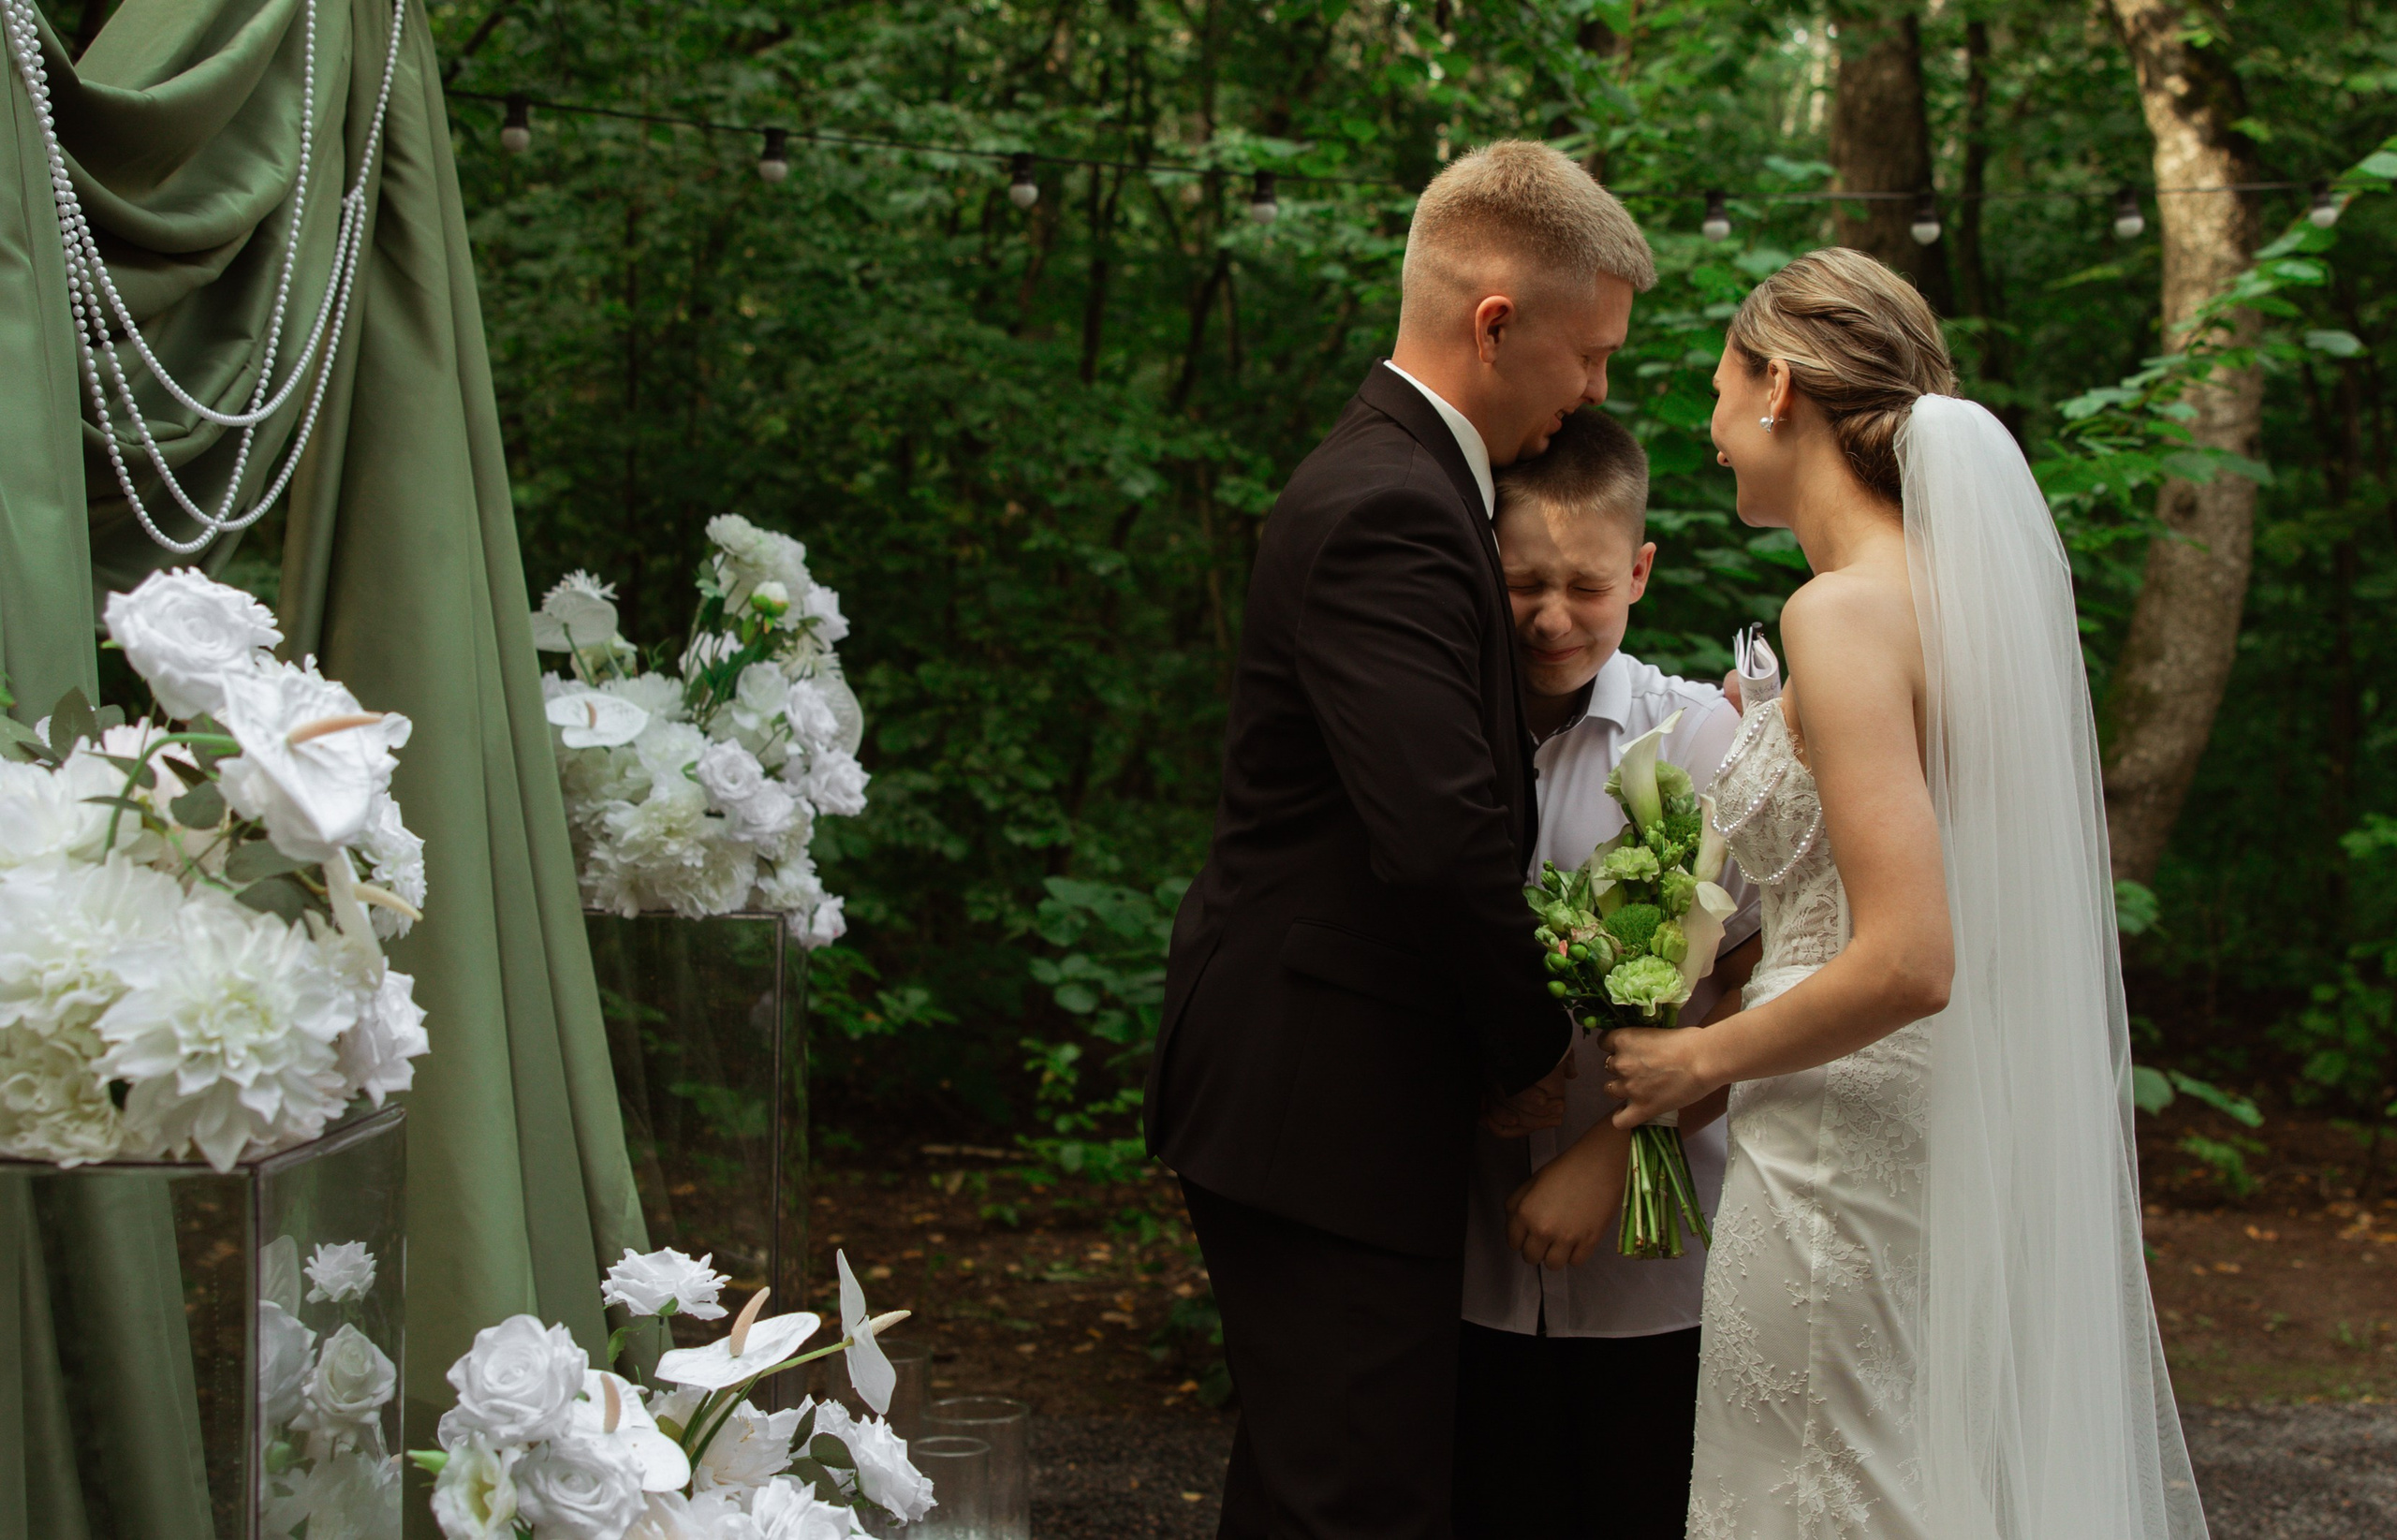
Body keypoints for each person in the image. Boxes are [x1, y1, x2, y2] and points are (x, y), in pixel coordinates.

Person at [1596, 248, 2209, 1540]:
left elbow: (1911, 955)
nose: (1709, 423)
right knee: (1893, 1472)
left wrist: (1696, 1056)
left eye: (1719, 386)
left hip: (1837, 1125)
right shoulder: (1955, 604)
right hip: (1932, 1111)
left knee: (1818, 1489)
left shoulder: (1842, 614)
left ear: (1780, 388)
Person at [1142, 141, 1656, 1539]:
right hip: (1322, 1098)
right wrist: (1532, 1048)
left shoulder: (1410, 481)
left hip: (1317, 1092)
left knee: (1314, 1492)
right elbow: (1438, 835)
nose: (1595, 390)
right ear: (1494, 323)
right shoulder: (1394, 505)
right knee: (1356, 1504)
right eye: (1590, 353)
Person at [1454, 407, 1763, 1540]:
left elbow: (1764, 989)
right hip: (1468, 1261)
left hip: (1662, 1273)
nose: (1551, 617)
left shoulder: (1698, 746)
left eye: (1585, 585)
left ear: (1637, 571)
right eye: (1521, 582)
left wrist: (1620, 1149)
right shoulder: (1434, 742)